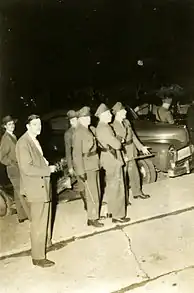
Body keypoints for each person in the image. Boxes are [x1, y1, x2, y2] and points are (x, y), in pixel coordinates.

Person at [16, 114, 57, 268]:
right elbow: (27, 168)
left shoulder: (33, 140)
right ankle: (38, 257)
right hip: (35, 187)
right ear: (28, 126)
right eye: (34, 124)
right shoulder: (23, 143)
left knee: (44, 219)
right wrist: (47, 170)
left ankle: (46, 244)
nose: (38, 127)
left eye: (39, 124)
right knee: (38, 223)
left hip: (41, 186)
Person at [95, 103, 130, 223]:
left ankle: (113, 211)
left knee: (113, 186)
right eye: (108, 113)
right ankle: (117, 215)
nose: (111, 115)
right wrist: (119, 140)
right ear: (103, 115)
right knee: (117, 187)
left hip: (109, 157)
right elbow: (116, 145)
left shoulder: (103, 126)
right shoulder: (104, 128)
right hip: (112, 159)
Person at [112, 102, 151, 201]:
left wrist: (141, 147)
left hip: (131, 150)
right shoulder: (113, 126)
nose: (125, 111)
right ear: (118, 113)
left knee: (135, 173)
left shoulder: (126, 122)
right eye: (123, 110)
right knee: (123, 176)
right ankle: (124, 199)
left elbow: (133, 136)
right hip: (123, 152)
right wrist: (122, 155)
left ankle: (137, 192)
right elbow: (115, 143)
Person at [72, 106, 103, 228]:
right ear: (80, 119)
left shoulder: (87, 129)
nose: (89, 119)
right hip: (86, 166)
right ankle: (92, 218)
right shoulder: (78, 132)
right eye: (86, 117)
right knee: (92, 193)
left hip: (93, 163)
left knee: (97, 191)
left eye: (89, 116)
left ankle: (95, 214)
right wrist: (80, 171)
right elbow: (76, 154)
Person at [0, 115, 28, 222]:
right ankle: (27, 214)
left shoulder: (13, 136)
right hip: (13, 170)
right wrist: (11, 162)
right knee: (20, 191)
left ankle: (21, 216)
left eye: (12, 124)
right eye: (9, 124)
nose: (12, 126)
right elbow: (1, 157)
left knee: (18, 192)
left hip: (17, 168)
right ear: (5, 127)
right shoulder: (6, 139)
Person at [64, 110, 87, 210]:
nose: (74, 121)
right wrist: (70, 167)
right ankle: (87, 204)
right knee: (82, 184)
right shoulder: (68, 134)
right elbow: (68, 151)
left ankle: (92, 201)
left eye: (76, 119)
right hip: (77, 161)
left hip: (86, 159)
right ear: (69, 121)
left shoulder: (83, 129)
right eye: (72, 120)